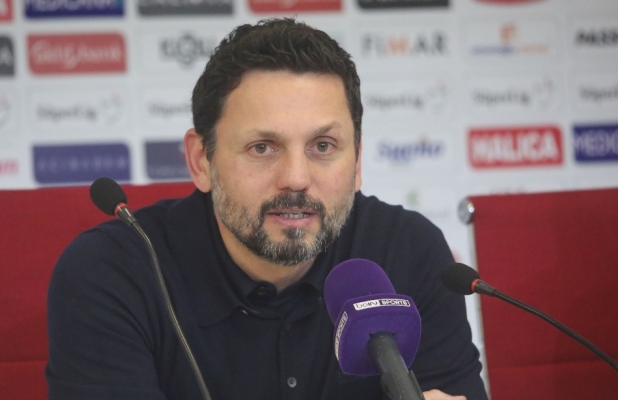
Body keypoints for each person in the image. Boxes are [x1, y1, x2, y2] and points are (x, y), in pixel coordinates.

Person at [46, 18, 488, 400]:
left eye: (323, 146)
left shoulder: (411, 252)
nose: (295, 177)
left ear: (357, 162)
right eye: (262, 147)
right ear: (201, 161)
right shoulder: (113, 272)